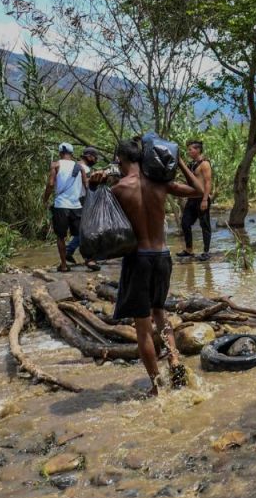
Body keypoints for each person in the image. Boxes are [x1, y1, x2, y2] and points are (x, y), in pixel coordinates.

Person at [87, 137, 204, 396]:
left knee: (142, 327)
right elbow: (198, 190)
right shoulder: (161, 184)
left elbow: (96, 223)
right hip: (163, 256)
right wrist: (180, 161)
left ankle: (156, 386)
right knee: (160, 314)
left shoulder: (118, 189)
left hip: (138, 258)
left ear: (120, 159)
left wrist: (94, 185)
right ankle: (174, 360)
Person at [41, 142, 90, 273]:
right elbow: (86, 184)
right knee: (82, 234)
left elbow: (51, 184)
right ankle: (89, 260)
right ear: (72, 153)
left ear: (60, 153)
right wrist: (90, 201)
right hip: (76, 206)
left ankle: (63, 265)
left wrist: (45, 199)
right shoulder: (80, 166)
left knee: (61, 236)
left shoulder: (55, 165)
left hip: (61, 205)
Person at [177, 139, 214, 261]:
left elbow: (208, 183)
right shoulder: (192, 164)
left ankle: (206, 252)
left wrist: (204, 200)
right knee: (185, 223)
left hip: (202, 199)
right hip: (191, 200)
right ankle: (189, 250)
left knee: (205, 225)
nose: (189, 152)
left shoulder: (205, 164)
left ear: (198, 150)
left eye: (190, 149)